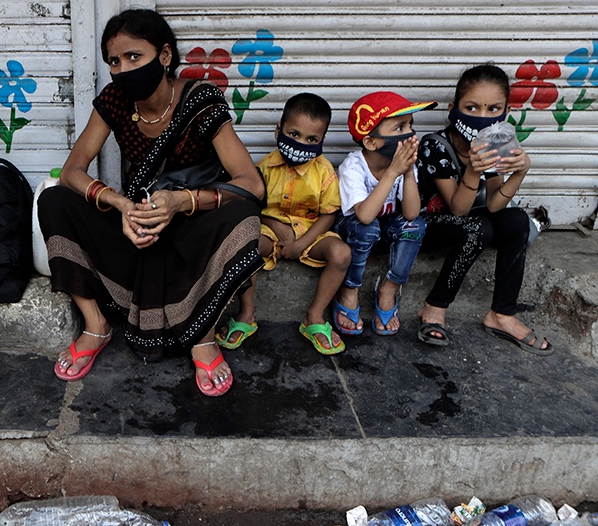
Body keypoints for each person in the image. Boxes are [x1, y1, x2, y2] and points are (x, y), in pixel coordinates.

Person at [38, 9, 265, 397]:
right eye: (114, 61)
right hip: (138, 224)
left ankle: (203, 334)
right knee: (54, 199)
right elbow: (74, 169)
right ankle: (96, 325)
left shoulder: (200, 100)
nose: (123, 69)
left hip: (191, 228)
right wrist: (120, 204)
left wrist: (182, 202)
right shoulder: (114, 101)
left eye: (134, 57)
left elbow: (252, 185)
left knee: (244, 216)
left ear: (163, 55)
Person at [415, 64, 553, 355]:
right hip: (426, 224)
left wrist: (519, 172)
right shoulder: (434, 145)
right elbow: (458, 209)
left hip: (466, 221)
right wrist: (473, 170)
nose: (482, 117)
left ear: (505, 112)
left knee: (517, 220)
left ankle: (501, 314)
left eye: (493, 109)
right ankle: (434, 306)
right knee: (479, 227)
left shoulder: (493, 144)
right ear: (454, 109)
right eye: (472, 107)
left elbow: (494, 203)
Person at [217, 93, 352, 355]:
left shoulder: (324, 172)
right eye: (294, 134)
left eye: (312, 139)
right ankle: (246, 314)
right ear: (279, 130)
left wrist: (301, 242)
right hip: (270, 230)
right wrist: (274, 226)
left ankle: (314, 316)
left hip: (310, 233)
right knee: (248, 244)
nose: (301, 143)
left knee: (342, 253)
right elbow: (250, 205)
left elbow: (328, 214)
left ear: (322, 140)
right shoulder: (264, 167)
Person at [333, 92, 431, 336]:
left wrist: (407, 173)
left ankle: (389, 288)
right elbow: (364, 216)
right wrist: (391, 173)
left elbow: (410, 213)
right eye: (400, 127)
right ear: (371, 142)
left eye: (410, 126)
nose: (410, 134)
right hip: (355, 230)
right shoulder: (353, 167)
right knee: (367, 226)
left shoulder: (403, 165)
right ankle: (349, 289)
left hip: (384, 227)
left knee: (415, 225)